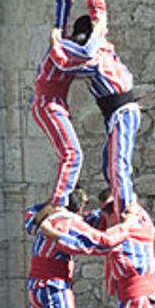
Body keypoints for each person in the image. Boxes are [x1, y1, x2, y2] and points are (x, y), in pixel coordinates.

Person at [44, 17, 140, 219]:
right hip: (118, 113)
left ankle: (126, 209)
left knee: (117, 164)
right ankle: (120, 200)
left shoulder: (96, 56)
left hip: (121, 112)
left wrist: (56, 45)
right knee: (110, 163)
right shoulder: (105, 50)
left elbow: (67, 66)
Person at [32, 17, 104, 207]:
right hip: (49, 105)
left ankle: (66, 196)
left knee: (69, 153)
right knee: (72, 154)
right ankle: (59, 201)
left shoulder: (64, 48)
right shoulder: (64, 49)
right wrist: (98, 36)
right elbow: (79, 61)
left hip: (53, 104)